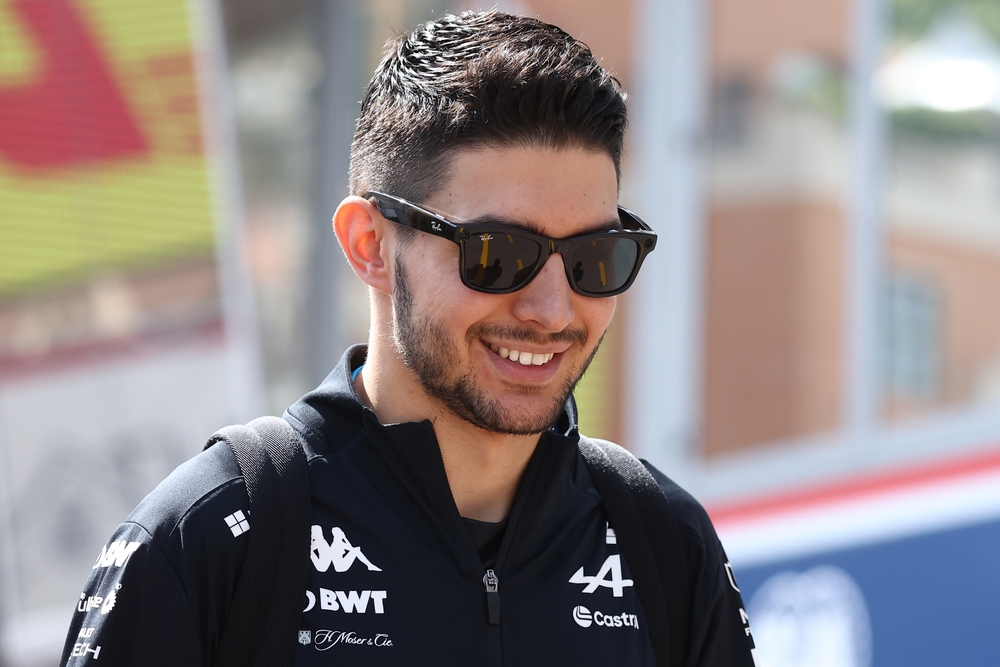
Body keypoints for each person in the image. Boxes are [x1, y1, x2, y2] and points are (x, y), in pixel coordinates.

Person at [61, 10, 757, 666]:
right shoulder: (214, 537)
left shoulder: (663, 544)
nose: (551, 309)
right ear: (369, 244)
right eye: (498, 253)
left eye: (593, 259)